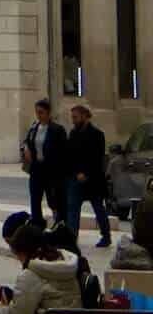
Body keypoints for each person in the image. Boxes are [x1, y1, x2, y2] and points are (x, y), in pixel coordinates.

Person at [63, 101, 114, 247]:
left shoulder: (97, 134)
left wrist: (86, 173)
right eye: (72, 117)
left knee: (98, 208)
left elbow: (97, 158)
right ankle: (72, 238)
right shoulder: (73, 133)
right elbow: (70, 155)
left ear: (85, 116)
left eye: (76, 117)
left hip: (93, 179)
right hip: (75, 177)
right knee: (73, 209)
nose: (73, 120)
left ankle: (106, 235)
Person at [22, 98, 69, 222]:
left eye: (41, 112)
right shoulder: (34, 127)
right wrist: (25, 148)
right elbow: (26, 141)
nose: (39, 115)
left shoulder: (57, 130)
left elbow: (64, 151)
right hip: (36, 168)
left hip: (51, 170)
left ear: (48, 113)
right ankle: (37, 224)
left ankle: (59, 223)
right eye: (37, 112)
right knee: (35, 199)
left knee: (53, 199)